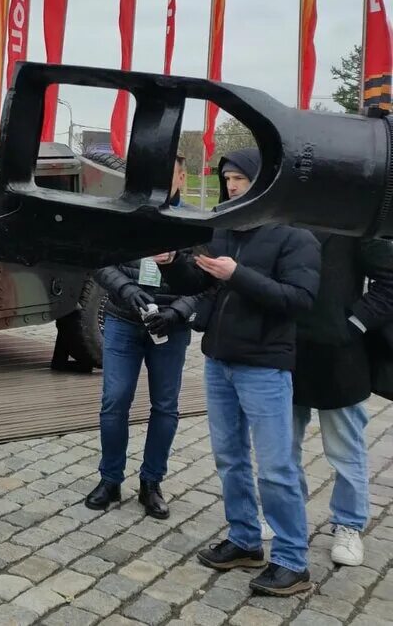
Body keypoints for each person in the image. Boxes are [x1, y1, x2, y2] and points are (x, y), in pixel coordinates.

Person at [167, 148, 320, 596]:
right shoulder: (225, 227)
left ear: (264, 180)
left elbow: (299, 300)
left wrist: (238, 275)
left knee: (275, 467)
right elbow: (205, 286)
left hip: (265, 367)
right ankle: (245, 540)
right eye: (228, 178)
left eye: (240, 178)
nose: (232, 186)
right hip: (219, 361)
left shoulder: (296, 236)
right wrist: (172, 264)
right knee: (229, 457)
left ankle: (293, 560)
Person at [86, 156, 200, 519]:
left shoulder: (198, 222)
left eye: (168, 174)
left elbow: (208, 281)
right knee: (114, 401)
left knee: (165, 406)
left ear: (182, 176)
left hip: (171, 326)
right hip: (124, 320)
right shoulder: (124, 213)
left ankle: (151, 482)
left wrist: (179, 311)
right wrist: (125, 289)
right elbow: (99, 259)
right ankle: (110, 478)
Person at [292, 232, 393, 567]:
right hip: (288, 349)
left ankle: (349, 524)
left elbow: (390, 279)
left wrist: (353, 324)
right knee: (282, 444)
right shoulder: (286, 211)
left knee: (345, 449)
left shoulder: (354, 222)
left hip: (340, 356)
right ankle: (286, 510)